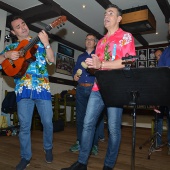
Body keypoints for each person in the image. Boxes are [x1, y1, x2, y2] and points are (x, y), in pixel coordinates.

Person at [61, 4, 136, 170]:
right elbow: (99, 66)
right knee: (87, 124)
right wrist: (93, 65)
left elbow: (129, 61)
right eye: (105, 13)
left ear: (119, 18)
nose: (106, 15)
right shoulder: (100, 42)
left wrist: (100, 63)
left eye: (110, 13)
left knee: (114, 130)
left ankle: (108, 165)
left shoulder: (126, 37)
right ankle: (82, 163)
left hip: (116, 89)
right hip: (97, 88)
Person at [0, 16, 54, 170]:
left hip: (42, 88)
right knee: (24, 126)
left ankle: (48, 147)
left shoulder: (40, 42)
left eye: (23, 24)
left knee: (48, 123)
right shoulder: (12, 48)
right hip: (23, 90)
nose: (22, 27)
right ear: (13, 31)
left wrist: (47, 43)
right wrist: (7, 55)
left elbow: (51, 60)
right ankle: (25, 157)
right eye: (18, 26)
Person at [71, 33, 104, 156]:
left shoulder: (98, 55)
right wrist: (74, 76)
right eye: (87, 39)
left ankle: (94, 145)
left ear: (95, 43)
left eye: (92, 39)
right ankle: (80, 142)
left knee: (93, 119)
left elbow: (102, 71)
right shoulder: (80, 57)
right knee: (80, 118)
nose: (89, 41)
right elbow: (75, 72)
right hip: (80, 89)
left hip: (93, 90)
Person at [156, 46, 170, 155]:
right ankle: (158, 144)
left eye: (160, 55)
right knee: (158, 121)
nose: (158, 58)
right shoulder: (157, 69)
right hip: (160, 97)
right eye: (156, 57)